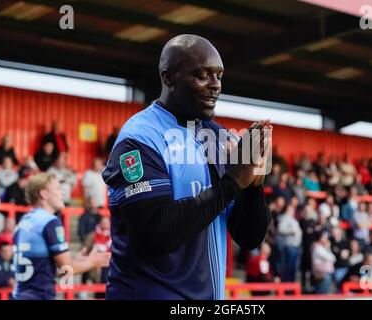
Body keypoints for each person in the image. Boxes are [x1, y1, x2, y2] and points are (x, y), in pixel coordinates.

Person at [102, 34, 272, 300]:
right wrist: (232, 182)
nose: (215, 85)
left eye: (219, 76)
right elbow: (155, 234)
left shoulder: (221, 139)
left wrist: (254, 186)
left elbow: (250, 238)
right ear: (169, 78)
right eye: (203, 75)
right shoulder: (140, 138)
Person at [12, 173, 110, 300]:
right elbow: (66, 269)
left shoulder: (23, 221)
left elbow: (42, 270)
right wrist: (92, 261)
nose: (62, 193)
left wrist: (80, 263)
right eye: (57, 188)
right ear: (44, 194)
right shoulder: (49, 221)